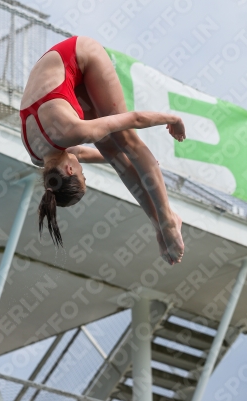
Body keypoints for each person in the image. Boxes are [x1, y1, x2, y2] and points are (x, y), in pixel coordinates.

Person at [20, 36, 186, 265]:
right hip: (60, 81)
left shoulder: (73, 131)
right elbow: (85, 155)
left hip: (79, 54)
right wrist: (139, 165)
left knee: (127, 141)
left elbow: (135, 119)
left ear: (69, 169)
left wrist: (173, 118)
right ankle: (157, 222)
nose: (82, 169)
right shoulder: (38, 154)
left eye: (81, 175)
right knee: (113, 154)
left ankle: (167, 219)